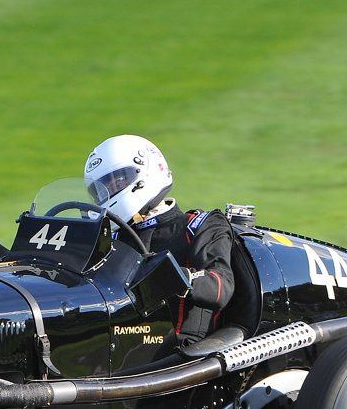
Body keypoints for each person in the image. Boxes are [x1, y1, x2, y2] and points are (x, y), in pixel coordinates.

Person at [85, 136, 238, 345]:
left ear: (147, 169)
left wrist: (178, 277)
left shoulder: (199, 225)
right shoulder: (112, 238)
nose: (111, 188)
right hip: (118, 347)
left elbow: (221, 288)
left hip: (178, 353)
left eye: (118, 179)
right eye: (104, 186)